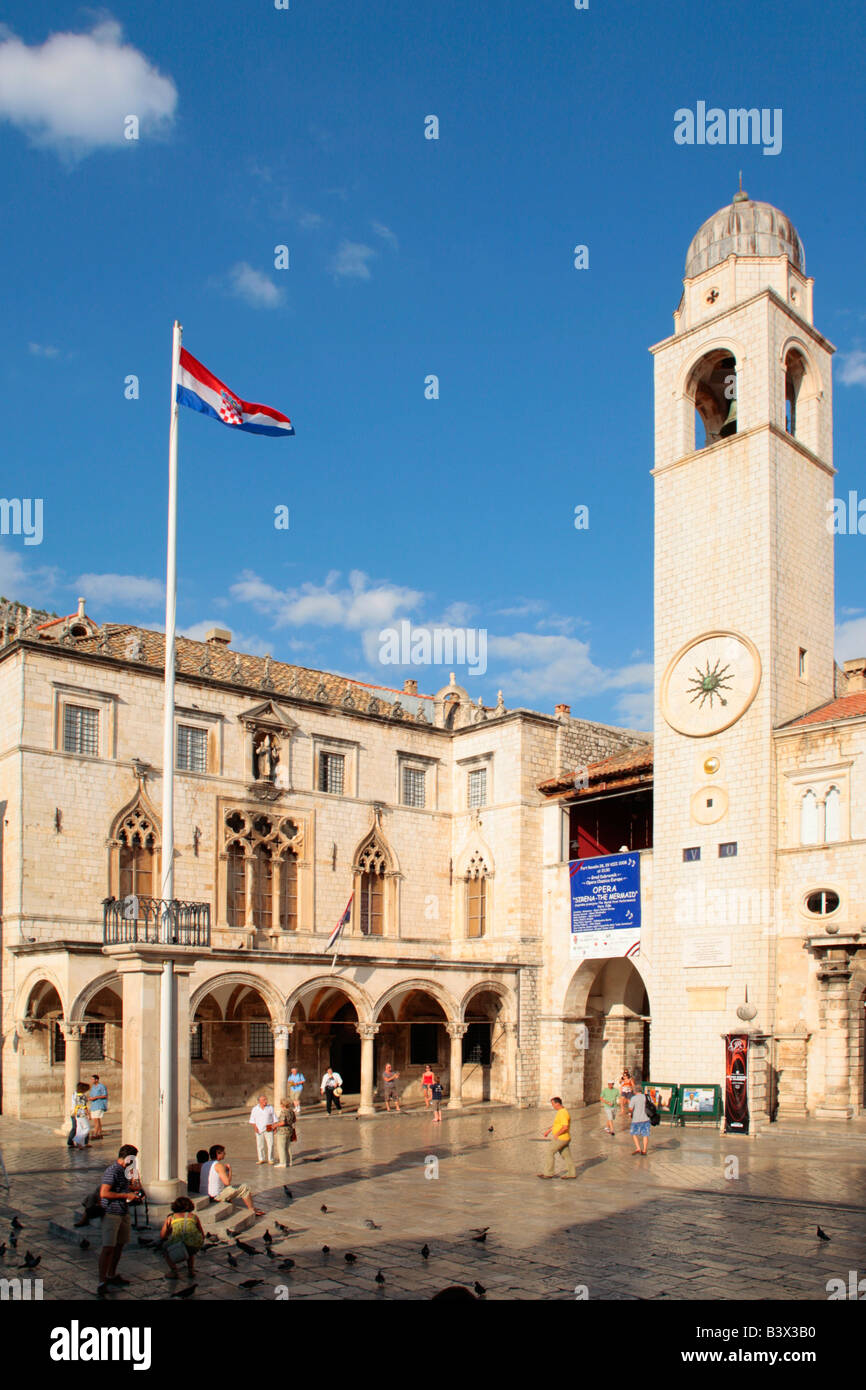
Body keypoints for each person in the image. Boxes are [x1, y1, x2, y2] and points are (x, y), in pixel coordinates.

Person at [97, 1143, 142, 1297]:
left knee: (119, 1245)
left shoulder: (125, 1171)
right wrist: (126, 1196)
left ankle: (111, 1275)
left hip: (123, 1212)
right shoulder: (113, 1171)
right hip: (111, 1213)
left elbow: (135, 1187)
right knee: (108, 1247)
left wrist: (135, 1180)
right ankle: (102, 1281)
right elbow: (104, 1193)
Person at [204, 1144, 265, 1216]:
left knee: (227, 1189)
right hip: (215, 1197)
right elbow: (227, 1182)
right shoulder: (219, 1166)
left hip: (206, 1194)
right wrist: (229, 1170)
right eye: (223, 1152)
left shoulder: (205, 1164)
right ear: (218, 1153)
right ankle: (252, 1210)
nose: (225, 1154)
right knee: (245, 1187)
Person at [160, 1196, 204, 1280]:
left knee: (165, 1248)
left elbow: (162, 1235)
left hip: (181, 1244)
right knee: (189, 1249)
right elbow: (201, 1233)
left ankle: (174, 1271)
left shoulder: (171, 1218)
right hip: (195, 1245)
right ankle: (191, 1270)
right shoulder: (194, 1217)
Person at [538, 1096, 576, 1179]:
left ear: (557, 1103)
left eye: (553, 1104)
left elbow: (565, 1126)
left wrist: (557, 1134)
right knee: (566, 1155)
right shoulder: (561, 1112)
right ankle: (571, 1173)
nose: (552, 1106)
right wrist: (549, 1131)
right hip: (565, 1138)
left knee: (549, 1151)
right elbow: (557, 1124)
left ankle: (548, 1173)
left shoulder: (562, 1113)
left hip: (561, 1138)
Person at [249, 1094, 276, 1163]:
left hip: (268, 1127)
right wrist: (255, 1127)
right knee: (260, 1145)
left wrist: (275, 1127)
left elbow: (274, 1118)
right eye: (264, 1100)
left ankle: (271, 1159)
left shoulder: (270, 1107)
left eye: (266, 1099)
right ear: (259, 1101)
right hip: (259, 1128)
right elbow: (252, 1119)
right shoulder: (255, 1109)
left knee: (271, 1144)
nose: (266, 1101)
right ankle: (261, 1158)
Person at [629, 1082, 651, 1156]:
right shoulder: (646, 1097)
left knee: (634, 1133)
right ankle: (644, 1150)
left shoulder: (634, 1098)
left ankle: (638, 1148)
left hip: (636, 1119)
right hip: (646, 1118)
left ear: (635, 1091)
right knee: (645, 1134)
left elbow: (630, 1108)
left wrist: (630, 1113)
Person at [273, 1097, 297, 1168]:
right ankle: (289, 1161)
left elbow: (283, 1122)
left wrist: (275, 1125)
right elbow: (294, 1120)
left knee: (281, 1147)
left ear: (283, 1104)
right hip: (289, 1130)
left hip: (282, 1131)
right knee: (287, 1147)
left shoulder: (284, 1111)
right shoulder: (291, 1111)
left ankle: (283, 1162)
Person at [71, 1082, 91, 1148]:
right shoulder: (83, 1096)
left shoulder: (76, 1095)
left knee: (79, 1129)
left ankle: (80, 1144)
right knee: (87, 1128)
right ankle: (77, 1139)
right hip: (82, 1114)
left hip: (77, 1113)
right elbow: (84, 1106)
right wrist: (89, 1114)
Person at [88, 1074, 108, 1140]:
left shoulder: (101, 1086)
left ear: (96, 1079)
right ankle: (99, 1133)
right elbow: (91, 1095)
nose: (91, 1080)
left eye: (92, 1079)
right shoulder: (93, 1087)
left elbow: (105, 1095)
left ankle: (95, 1133)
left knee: (96, 1120)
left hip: (99, 1105)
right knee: (97, 1120)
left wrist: (96, 1097)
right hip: (94, 1105)